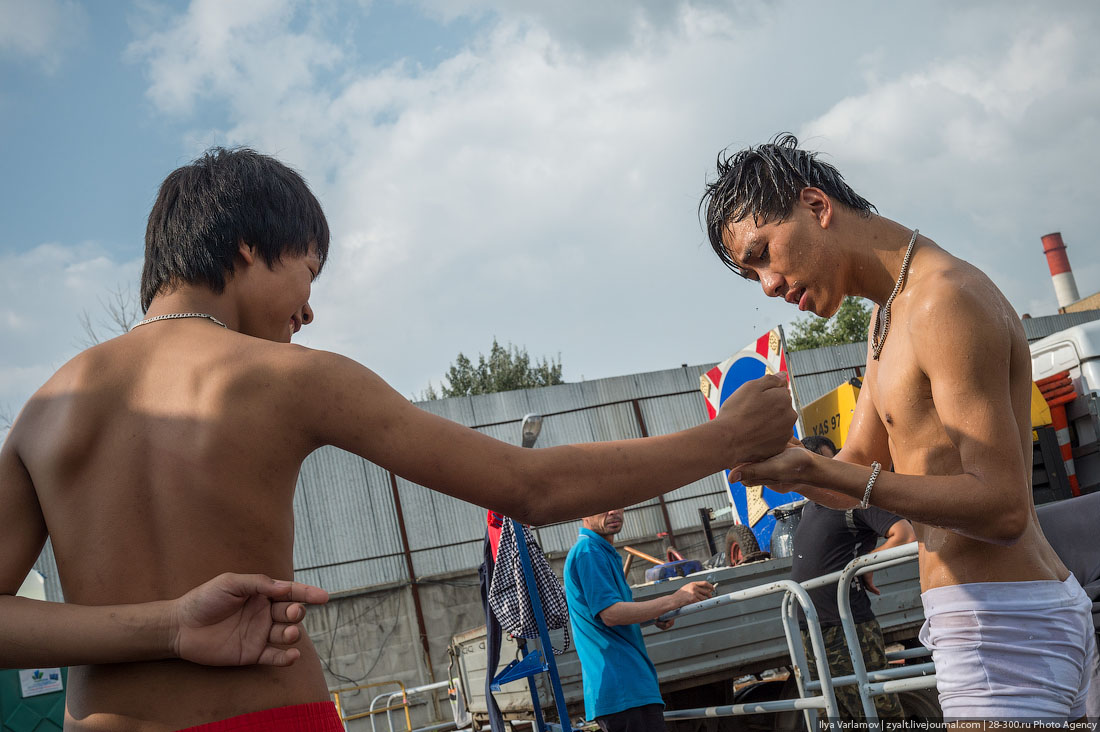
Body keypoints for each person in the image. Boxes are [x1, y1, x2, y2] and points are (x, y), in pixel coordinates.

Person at [0, 147, 798, 730]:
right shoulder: (287, 378)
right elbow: (529, 487)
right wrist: (723, 439)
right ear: (248, 245)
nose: (307, 312)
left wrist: (168, 625)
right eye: (307, 274)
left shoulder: (42, 413)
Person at [699, 134, 1097, 723]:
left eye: (763, 252)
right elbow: (855, 465)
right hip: (991, 619)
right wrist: (785, 464)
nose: (768, 286)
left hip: (1007, 624)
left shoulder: (942, 302)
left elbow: (1004, 506)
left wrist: (819, 470)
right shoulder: (891, 313)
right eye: (750, 271)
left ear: (817, 206)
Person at [791, 435, 915, 722]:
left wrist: (864, 566)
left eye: (829, 461)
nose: (828, 468)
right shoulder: (810, 507)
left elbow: (905, 534)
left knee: (875, 712)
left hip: (845, 628)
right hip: (810, 629)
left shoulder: (856, 500)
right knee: (836, 716)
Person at [565, 508, 714, 732]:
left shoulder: (600, 551)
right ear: (583, 512)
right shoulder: (589, 552)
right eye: (602, 505)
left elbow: (610, 616)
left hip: (627, 688)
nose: (613, 511)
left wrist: (654, 616)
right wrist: (676, 599)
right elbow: (611, 614)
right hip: (624, 686)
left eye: (618, 504)